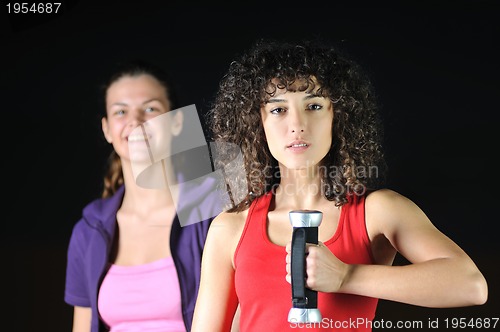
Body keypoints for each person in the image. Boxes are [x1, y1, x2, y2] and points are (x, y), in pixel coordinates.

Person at [191, 39, 488, 332]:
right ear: (258, 123)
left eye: (314, 105)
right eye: (278, 110)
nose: (297, 124)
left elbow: (470, 285)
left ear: (338, 116)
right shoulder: (230, 228)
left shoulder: (378, 212)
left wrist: (346, 276)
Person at [64, 59, 215, 332]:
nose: (135, 121)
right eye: (120, 112)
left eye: (150, 108)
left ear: (176, 122)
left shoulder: (212, 214)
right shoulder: (89, 231)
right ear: (107, 129)